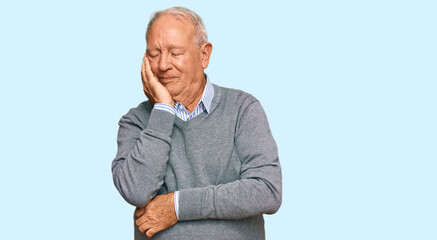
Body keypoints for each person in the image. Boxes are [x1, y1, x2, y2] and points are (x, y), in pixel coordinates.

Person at [112, 6, 282, 240]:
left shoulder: (243, 109)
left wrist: (178, 206)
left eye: (175, 52)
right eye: (154, 53)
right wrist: (162, 109)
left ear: (204, 55)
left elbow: (267, 191)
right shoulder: (136, 122)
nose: (162, 65)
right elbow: (136, 191)